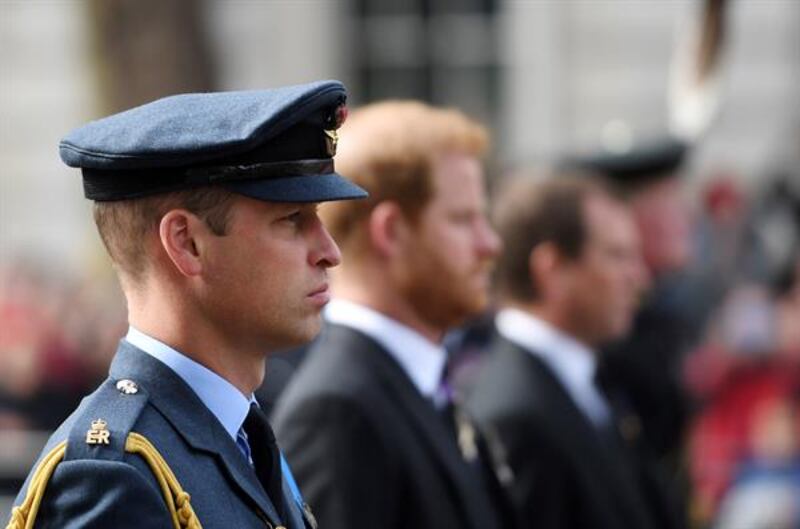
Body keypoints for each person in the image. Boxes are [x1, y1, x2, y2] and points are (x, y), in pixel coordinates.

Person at [6, 80, 367, 529]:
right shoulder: (114, 474)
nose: (329, 251)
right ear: (187, 243)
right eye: (292, 220)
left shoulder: (239, 433)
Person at [271, 101, 510, 529]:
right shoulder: (337, 414)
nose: (489, 244)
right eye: (462, 219)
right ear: (391, 231)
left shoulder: (419, 384)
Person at [467, 175, 683, 529]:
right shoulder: (515, 414)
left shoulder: (584, 377)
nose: (639, 278)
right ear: (550, 268)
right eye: (617, 256)